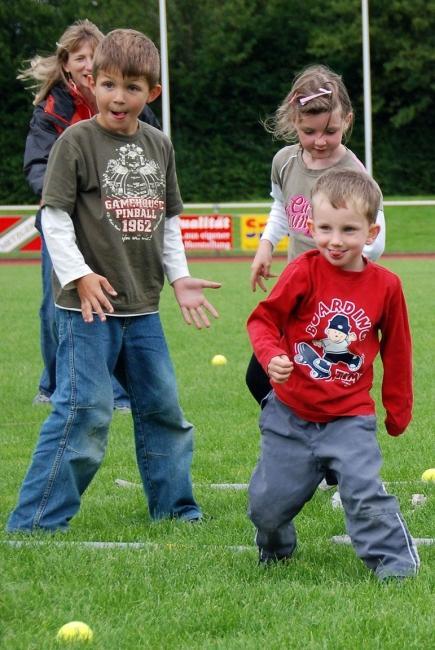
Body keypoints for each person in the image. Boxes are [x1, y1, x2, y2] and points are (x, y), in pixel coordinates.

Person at [7, 28, 221, 533]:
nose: (117, 97)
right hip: (87, 309)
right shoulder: (74, 142)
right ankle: (36, 522)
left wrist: (181, 278)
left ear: (153, 94)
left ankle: (175, 510)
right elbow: (54, 218)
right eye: (107, 84)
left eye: (131, 87)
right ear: (89, 86)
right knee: (85, 411)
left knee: (164, 410)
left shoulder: (159, 145)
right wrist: (79, 275)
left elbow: (168, 221)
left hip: (142, 308)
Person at [246, 169, 419, 580]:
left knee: (362, 493)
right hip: (290, 413)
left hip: (349, 416)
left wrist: (398, 410)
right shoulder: (303, 271)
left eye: (349, 229)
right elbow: (263, 321)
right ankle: (276, 549)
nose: (335, 240)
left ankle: (395, 566)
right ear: (310, 226)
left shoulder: (386, 286)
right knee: (266, 506)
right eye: (325, 228)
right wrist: (271, 357)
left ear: (371, 232)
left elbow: (398, 349)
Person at [247, 64, 386, 489]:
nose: (320, 141)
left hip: (334, 297)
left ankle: (331, 454)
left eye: (329, 130)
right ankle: (308, 448)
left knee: (324, 378)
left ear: (346, 119)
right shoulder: (285, 162)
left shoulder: (353, 174)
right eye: (309, 132)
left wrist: (344, 250)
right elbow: (281, 208)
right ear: (295, 124)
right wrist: (266, 246)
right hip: (297, 291)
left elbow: (376, 237)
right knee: (262, 375)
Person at [19, 19, 159, 410]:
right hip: (62, 219)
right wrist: (69, 196)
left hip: (113, 223)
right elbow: (37, 165)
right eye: (79, 58)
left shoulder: (131, 105)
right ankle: (52, 384)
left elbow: (151, 154)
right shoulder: (51, 110)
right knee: (55, 306)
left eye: (93, 56)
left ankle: (114, 390)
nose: (86, 64)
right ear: (66, 65)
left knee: (114, 301)